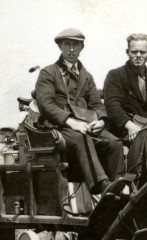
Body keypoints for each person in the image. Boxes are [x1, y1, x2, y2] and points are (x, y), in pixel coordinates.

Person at [35, 28, 124, 194]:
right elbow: (46, 104)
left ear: (81, 48)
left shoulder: (87, 76)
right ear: (60, 47)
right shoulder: (48, 73)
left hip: (85, 126)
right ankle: (101, 185)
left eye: (75, 45)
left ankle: (116, 186)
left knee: (115, 143)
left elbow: (97, 104)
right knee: (81, 137)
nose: (71, 49)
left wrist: (102, 121)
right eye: (67, 44)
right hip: (59, 127)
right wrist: (71, 121)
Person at [104, 33, 147, 139]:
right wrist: (130, 127)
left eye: (143, 52)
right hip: (125, 129)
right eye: (134, 51)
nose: (138, 55)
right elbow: (112, 106)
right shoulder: (116, 75)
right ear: (128, 52)